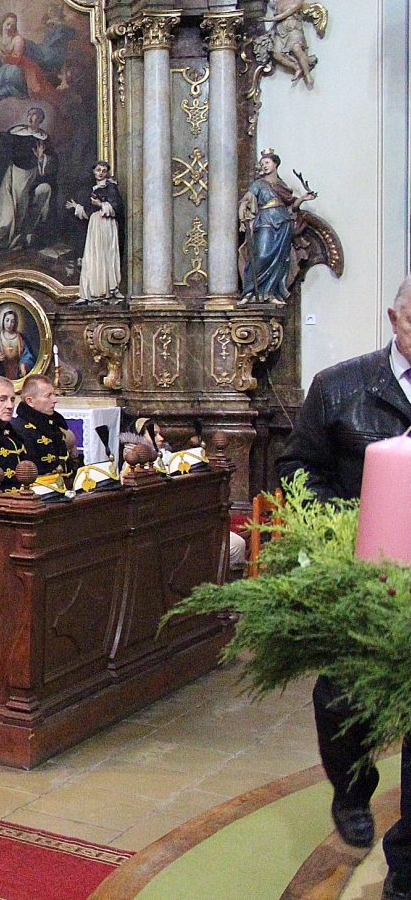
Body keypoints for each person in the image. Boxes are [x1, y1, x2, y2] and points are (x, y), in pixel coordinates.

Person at [276, 276, 411, 891]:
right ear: (393, 317)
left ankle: (406, 859)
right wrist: (348, 521)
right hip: (361, 569)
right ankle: (352, 790)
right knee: (342, 698)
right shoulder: (340, 386)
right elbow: (295, 467)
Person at [0, 105, 59, 254]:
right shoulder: (18, 132)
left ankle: (15, 244)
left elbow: (52, 163)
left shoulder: (44, 139)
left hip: (31, 178)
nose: (31, 117)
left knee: (21, 214)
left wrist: (41, 158)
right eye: (30, 114)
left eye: (35, 115)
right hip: (12, 175)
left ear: (40, 120)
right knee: (6, 215)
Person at [240, 149, 315, 306]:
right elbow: (246, 201)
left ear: (275, 164)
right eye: (262, 164)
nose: (264, 166)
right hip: (265, 221)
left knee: (280, 259)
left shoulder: (282, 185)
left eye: (267, 163)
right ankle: (249, 292)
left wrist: (302, 198)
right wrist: (242, 216)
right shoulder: (258, 184)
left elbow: (292, 206)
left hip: (283, 223)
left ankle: (270, 292)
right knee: (261, 255)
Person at [68, 162, 124, 303]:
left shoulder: (111, 187)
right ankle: (92, 291)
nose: (101, 173)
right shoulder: (92, 189)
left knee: (105, 254)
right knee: (93, 254)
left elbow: (116, 207)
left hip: (106, 223)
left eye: (104, 170)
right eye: (98, 170)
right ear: (93, 171)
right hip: (94, 224)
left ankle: (106, 290)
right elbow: (88, 212)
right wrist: (77, 207)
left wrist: (100, 205)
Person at [12, 374, 77, 480]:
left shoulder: (54, 423)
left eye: (54, 394)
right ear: (30, 401)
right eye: (48, 396)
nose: (55, 400)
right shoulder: (18, 430)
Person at [0, 308, 35, 380]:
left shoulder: (20, 339)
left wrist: (23, 364)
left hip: (18, 373)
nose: (9, 324)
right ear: (3, 321)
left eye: (12, 321)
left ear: (15, 323)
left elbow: (28, 356)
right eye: (7, 320)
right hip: (2, 373)